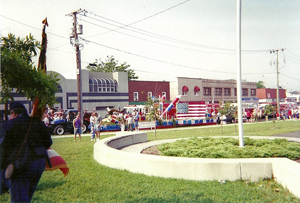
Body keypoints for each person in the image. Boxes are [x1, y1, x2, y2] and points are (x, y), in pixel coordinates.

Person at [0, 101, 52, 202]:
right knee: (27, 197)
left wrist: (3, 166)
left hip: (22, 164)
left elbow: (3, 146)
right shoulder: (37, 122)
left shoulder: (11, 124)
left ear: (13, 113)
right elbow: (48, 142)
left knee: (19, 199)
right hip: (39, 163)